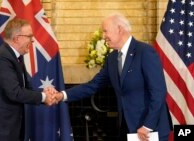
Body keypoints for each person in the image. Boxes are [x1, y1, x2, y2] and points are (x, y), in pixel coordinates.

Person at [55, 13, 172, 141]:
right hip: (127, 128)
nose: (103, 36)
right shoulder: (112, 58)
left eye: (105, 31)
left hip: (150, 130)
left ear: (120, 29)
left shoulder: (145, 52)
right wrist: (62, 95)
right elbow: (93, 85)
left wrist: (148, 126)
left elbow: (159, 92)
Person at [0, 18, 56, 141]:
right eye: (29, 36)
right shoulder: (2, 57)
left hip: (4, 129)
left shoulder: (15, 57)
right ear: (16, 38)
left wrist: (45, 95)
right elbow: (15, 92)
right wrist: (43, 97)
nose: (33, 39)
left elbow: (26, 88)